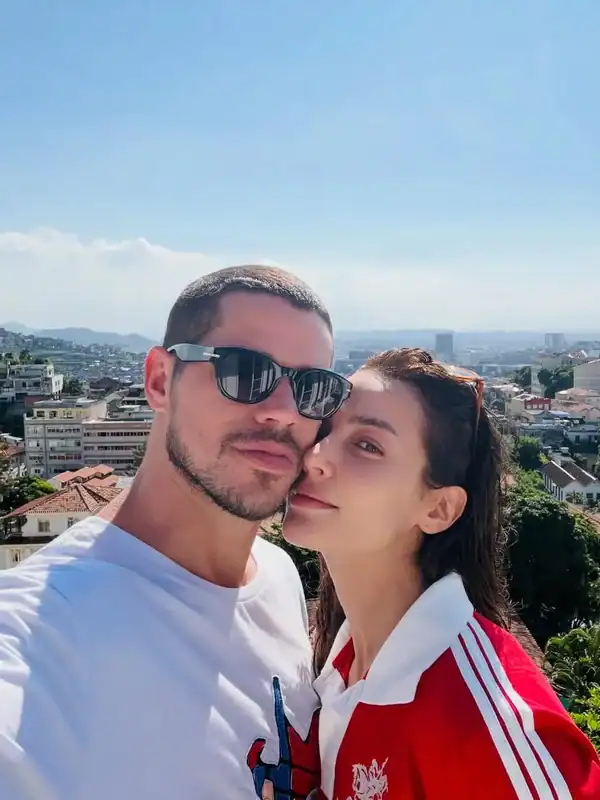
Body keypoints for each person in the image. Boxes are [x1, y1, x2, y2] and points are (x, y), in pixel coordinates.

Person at [0, 265, 352, 800]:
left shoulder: (277, 576)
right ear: (160, 381)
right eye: (245, 372)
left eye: (313, 388)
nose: (284, 412)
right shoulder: (40, 634)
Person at [283, 348, 600, 800]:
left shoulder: (488, 724)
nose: (315, 455)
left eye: (368, 445)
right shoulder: (341, 669)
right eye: (325, 429)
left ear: (438, 508)